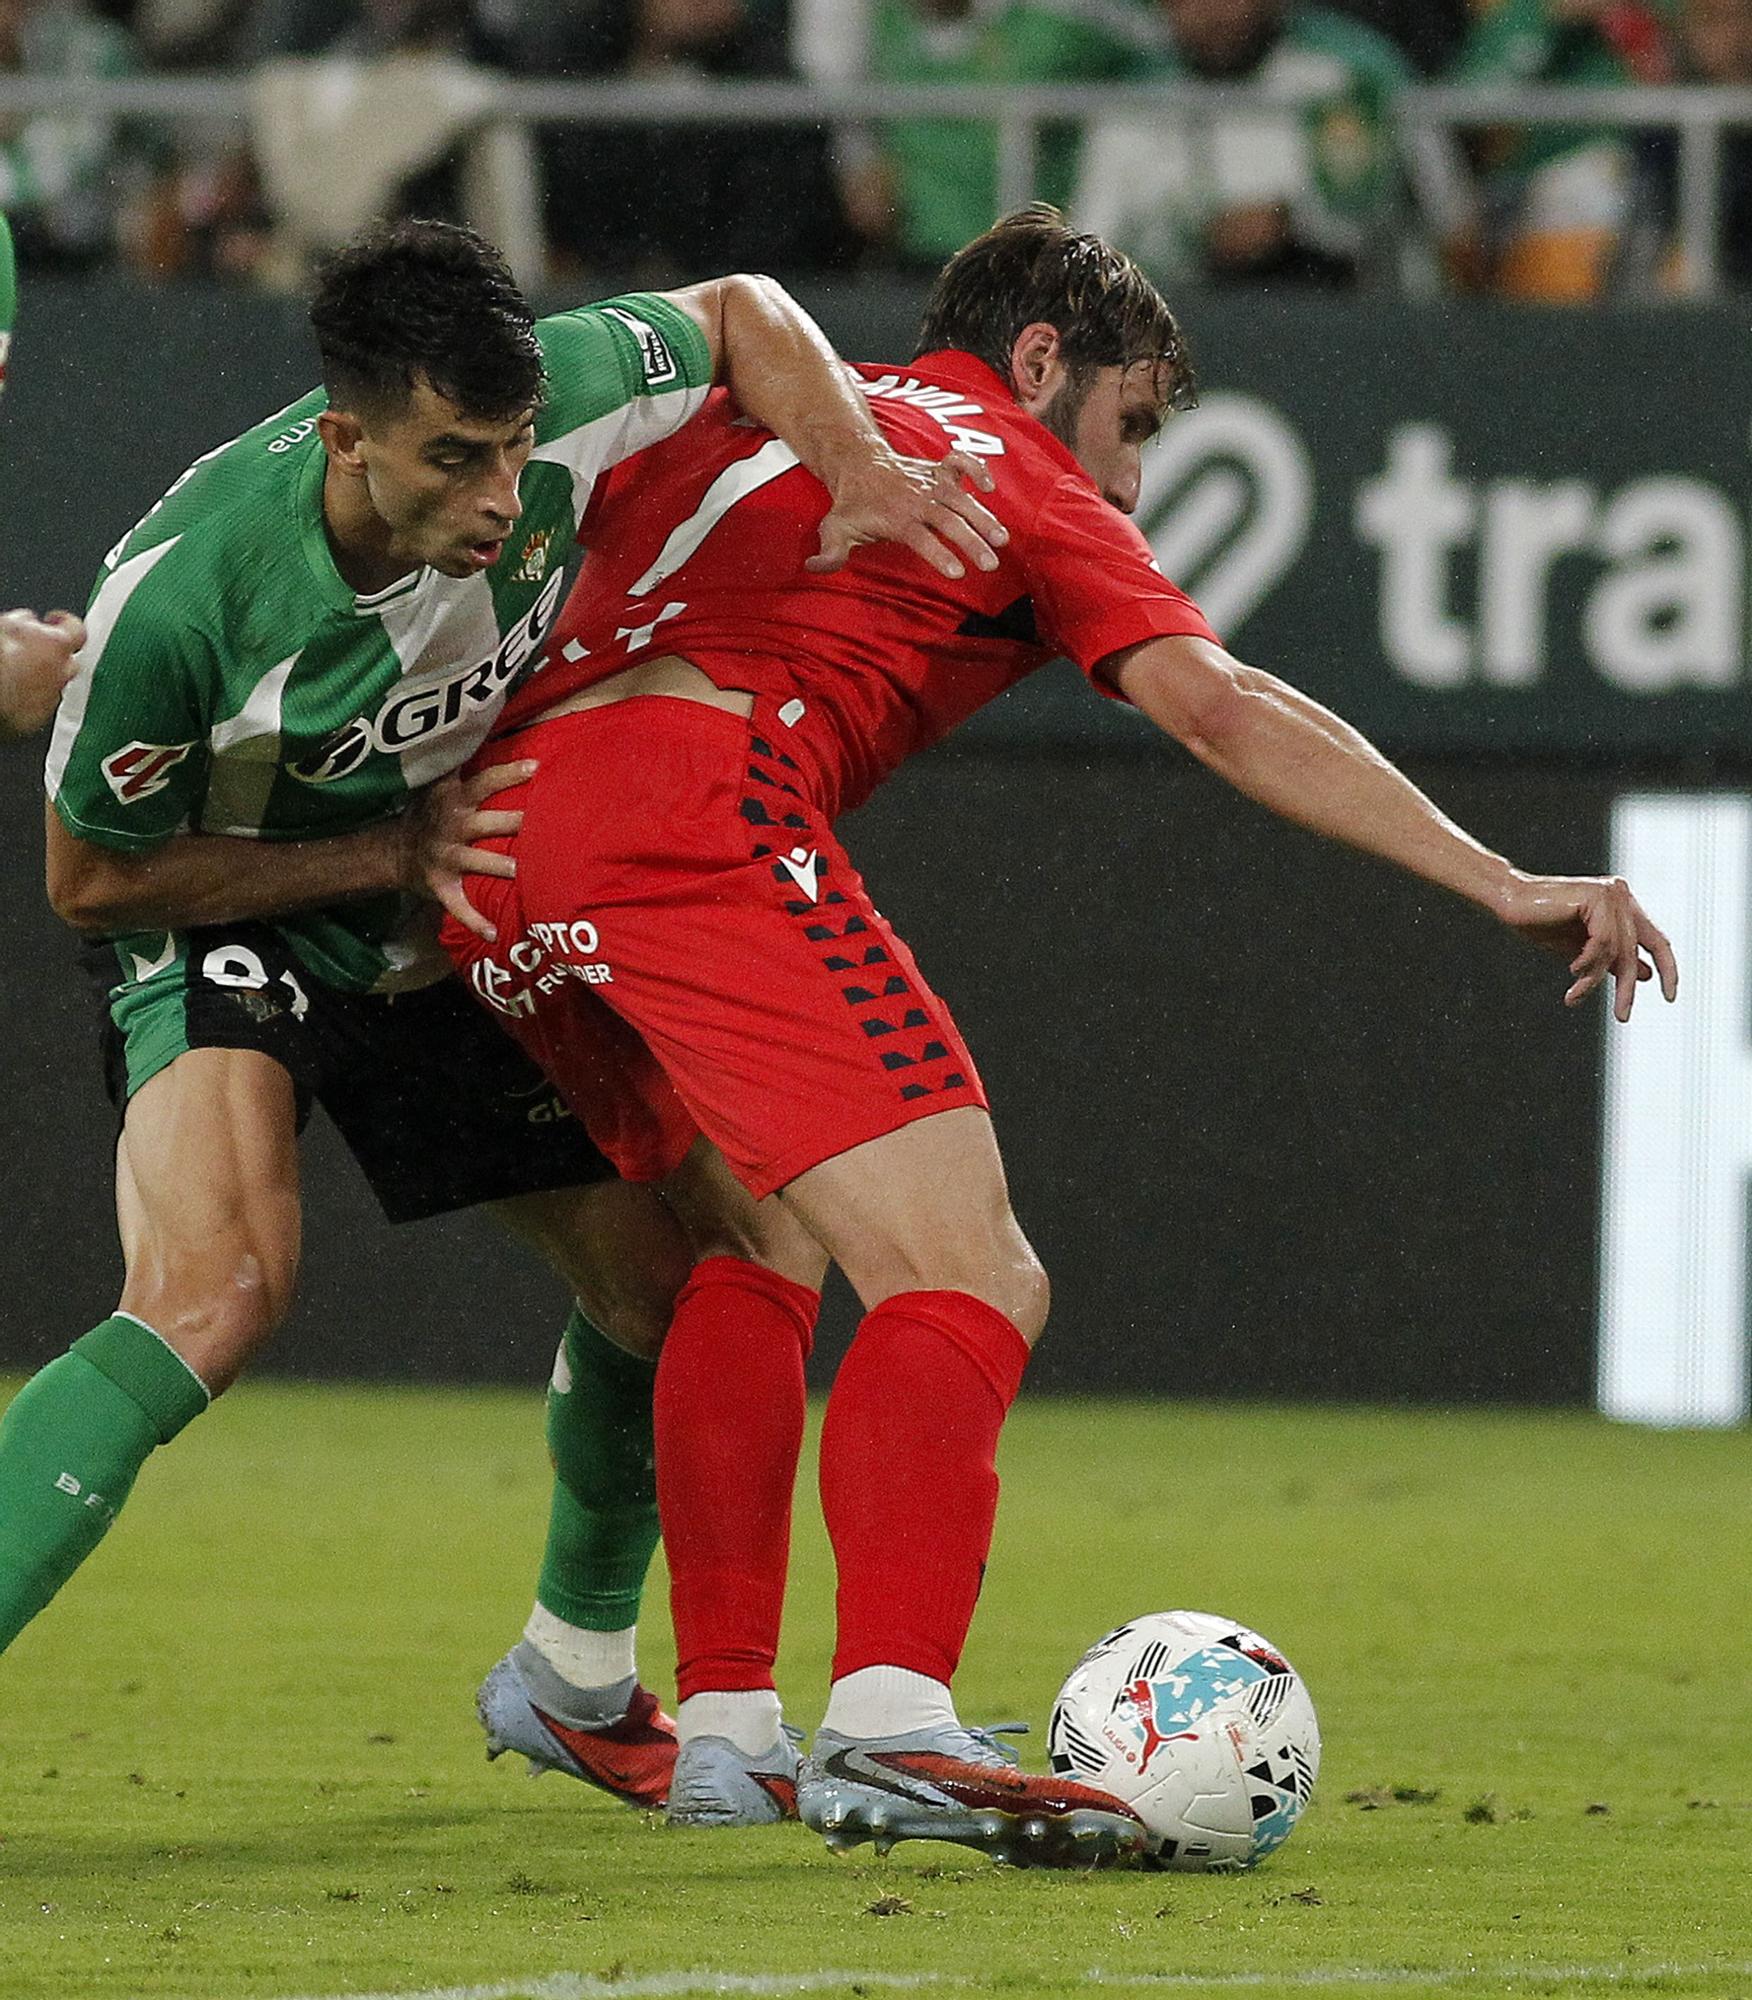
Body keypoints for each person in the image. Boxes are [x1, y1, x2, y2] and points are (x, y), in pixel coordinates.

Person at [442, 204, 1678, 1861]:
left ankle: (732, 1726)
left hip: (491, 850)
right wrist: (1498, 876)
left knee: (757, 1232)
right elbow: (1222, 707)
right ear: (1041, 364)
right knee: (971, 1275)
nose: (1139, 481)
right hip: (696, 815)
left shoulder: (787, 402)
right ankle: (891, 1718)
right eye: (1140, 422)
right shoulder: (1012, 465)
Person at [5, 221, 1004, 1826]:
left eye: (516, 451)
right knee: (218, 1290)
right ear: (346, 439)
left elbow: (747, 306)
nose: (498, 497)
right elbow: (84, 881)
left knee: (684, 1281)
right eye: (452, 461)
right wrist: (379, 855)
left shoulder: (579, 386)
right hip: (229, 915)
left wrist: (864, 463)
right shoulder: (183, 600)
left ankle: (574, 1678)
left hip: (434, 906)